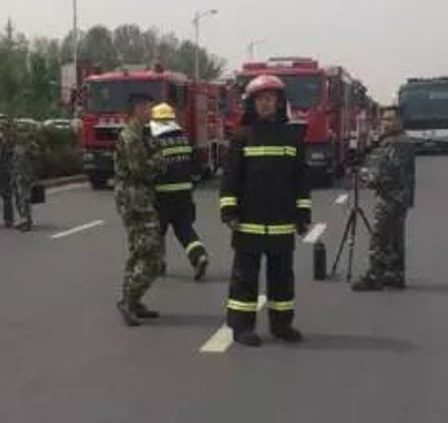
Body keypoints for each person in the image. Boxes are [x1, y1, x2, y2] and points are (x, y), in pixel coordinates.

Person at [219, 75, 311, 347]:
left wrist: (302, 213)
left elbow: (300, 180)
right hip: (249, 222)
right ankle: (241, 327)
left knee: (282, 279)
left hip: (282, 222)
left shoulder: (292, 137)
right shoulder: (242, 137)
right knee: (244, 278)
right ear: (252, 103)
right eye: (260, 99)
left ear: (280, 102)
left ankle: (282, 325)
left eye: (270, 99)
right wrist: (229, 210)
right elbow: (230, 178)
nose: (265, 104)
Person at [114, 93, 165, 326]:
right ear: (137, 108)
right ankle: (129, 300)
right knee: (151, 254)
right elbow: (140, 169)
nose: (151, 112)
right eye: (147, 108)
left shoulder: (143, 133)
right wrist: (159, 161)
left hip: (140, 197)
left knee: (140, 251)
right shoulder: (131, 136)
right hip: (135, 199)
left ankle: (132, 300)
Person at [352, 105, 416, 291]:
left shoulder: (396, 143)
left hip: (390, 197)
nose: (385, 123)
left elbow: (386, 175)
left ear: (399, 121)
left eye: (390, 119)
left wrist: (365, 178)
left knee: (379, 237)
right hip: (400, 197)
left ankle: (374, 276)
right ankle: (395, 274)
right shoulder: (402, 141)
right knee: (395, 238)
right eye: (384, 120)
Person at [149, 102, 209, 281]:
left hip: (161, 195)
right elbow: (196, 166)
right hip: (184, 194)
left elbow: (151, 169)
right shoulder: (183, 138)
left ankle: (158, 265)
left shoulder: (155, 141)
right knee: (184, 229)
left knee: (157, 231)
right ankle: (199, 256)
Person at [12, 126, 40, 232]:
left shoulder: (31, 145)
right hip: (16, 175)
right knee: (18, 200)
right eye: (19, 132)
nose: (21, 135)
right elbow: (14, 161)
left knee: (25, 200)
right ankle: (22, 219)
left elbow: (37, 158)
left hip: (26, 176)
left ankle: (26, 221)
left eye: (24, 132)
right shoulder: (17, 146)